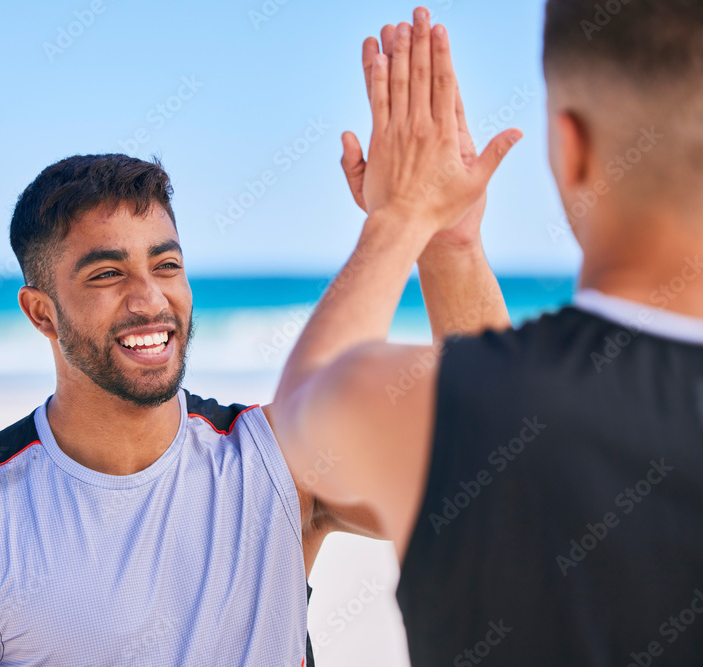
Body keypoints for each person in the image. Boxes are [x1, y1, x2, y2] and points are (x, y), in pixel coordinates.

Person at [0, 13, 506, 663]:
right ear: (41, 312)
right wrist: (398, 220)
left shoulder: (277, 463)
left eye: (167, 265)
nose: (150, 299)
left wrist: (450, 245)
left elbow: (508, 469)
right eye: (108, 273)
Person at [273, 2, 703, 665]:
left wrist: (406, 216)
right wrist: (452, 247)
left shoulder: (477, 410)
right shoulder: (489, 412)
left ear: (571, 148)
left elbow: (303, 419)